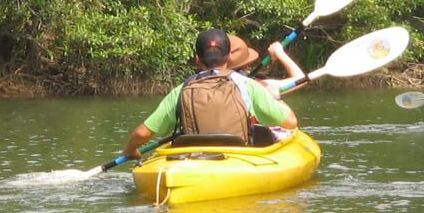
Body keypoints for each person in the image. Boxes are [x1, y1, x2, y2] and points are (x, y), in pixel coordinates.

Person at [122, 29, 298, 159]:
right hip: (237, 158)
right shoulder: (249, 86)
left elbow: (142, 134)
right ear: (229, 57)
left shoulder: (181, 90)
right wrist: (276, 97)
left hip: (193, 158)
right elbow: (290, 123)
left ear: (197, 58)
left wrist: (131, 151)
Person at [227, 34, 307, 100]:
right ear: (246, 65)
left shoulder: (215, 84)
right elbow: (301, 79)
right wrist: (279, 53)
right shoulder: (257, 87)